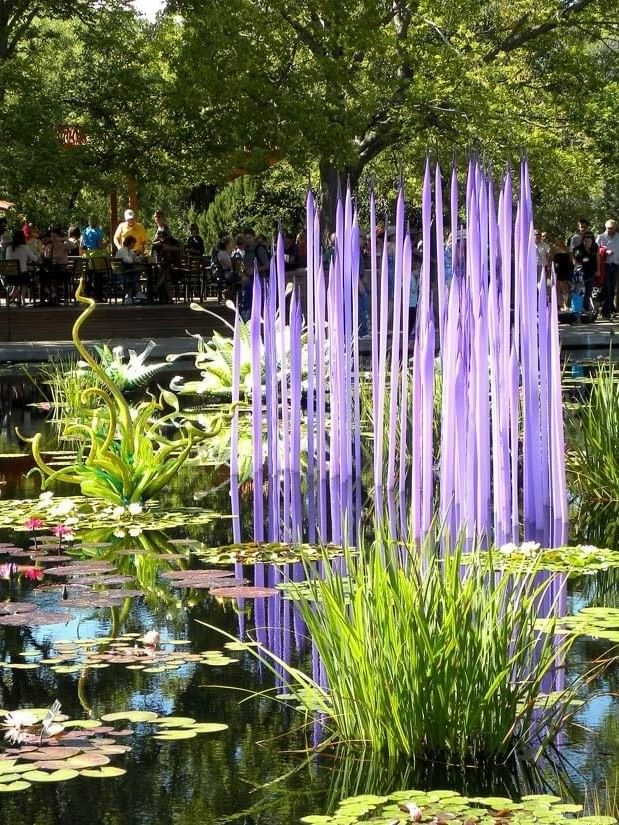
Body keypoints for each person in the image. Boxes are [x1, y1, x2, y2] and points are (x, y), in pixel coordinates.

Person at [5, 229, 38, 305]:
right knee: (26, 280)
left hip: (9, 275)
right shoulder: (25, 247)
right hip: (21, 276)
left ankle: (13, 296)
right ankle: (22, 299)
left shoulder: (9, 248)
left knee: (20, 277)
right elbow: (35, 259)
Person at [571, 231, 598, 318]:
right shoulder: (578, 249)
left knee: (588, 292)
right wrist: (577, 267)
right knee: (579, 292)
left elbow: (598, 258)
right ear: (583, 240)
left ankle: (585, 309)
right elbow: (574, 260)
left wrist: (598, 270)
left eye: (589, 240)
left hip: (591, 272)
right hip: (580, 274)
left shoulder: (595, 247)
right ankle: (577, 311)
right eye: (586, 240)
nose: (587, 242)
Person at [596, 219, 619, 318]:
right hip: (605, 265)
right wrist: (605, 251)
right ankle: (606, 311)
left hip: (616, 265)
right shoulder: (601, 237)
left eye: (611, 228)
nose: (609, 230)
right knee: (607, 288)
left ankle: (608, 310)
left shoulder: (618, 237)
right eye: (608, 228)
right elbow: (596, 251)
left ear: (615, 228)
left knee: (613, 288)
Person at [115, 235, 146, 304]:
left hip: (125, 272)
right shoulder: (123, 251)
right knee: (135, 274)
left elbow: (136, 260)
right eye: (133, 243)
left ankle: (133, 295)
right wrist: (136, 254)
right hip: (120, 274)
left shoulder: (129, 251)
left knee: (136, 273)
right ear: (131, 243)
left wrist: (140, 256)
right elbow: (129, 261)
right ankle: (135, 294)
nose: (134, 245)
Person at [551, 237, 573, 311]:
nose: (560, 241)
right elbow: (551, 260)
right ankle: (560, 304)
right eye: (559, 240)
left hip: (566, 270)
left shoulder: (567, 249)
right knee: (559, 287)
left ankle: (566, 304)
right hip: (558, 270)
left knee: (565, 288)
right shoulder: (554, 249)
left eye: (562, 240)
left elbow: (570, 260)